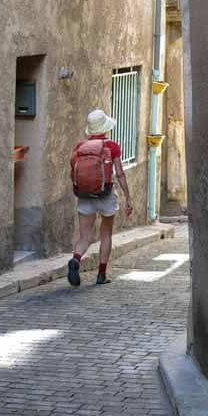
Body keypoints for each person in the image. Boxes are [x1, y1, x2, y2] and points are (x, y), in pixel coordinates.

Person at [68, 109, 133, 286]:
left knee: (85, 236)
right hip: (105, 194)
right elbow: (119, 174)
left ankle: (75, 260)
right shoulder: (112, 146)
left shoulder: (80, 148)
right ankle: (101, 275)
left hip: (85, 195)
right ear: (105, 128)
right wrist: (128, 197)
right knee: (106, 234)